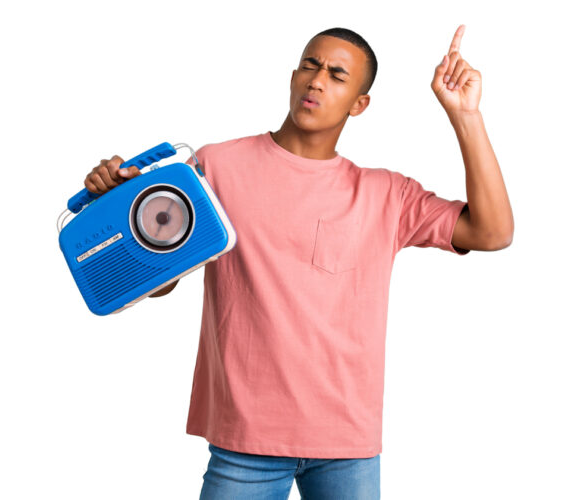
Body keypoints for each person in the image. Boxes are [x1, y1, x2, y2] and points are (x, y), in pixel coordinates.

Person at [82, 25, 513, 500]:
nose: (317, 80)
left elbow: (492, 232)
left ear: (359, 103)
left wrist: (466, 117)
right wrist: (119, 208)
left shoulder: (385, 194)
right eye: (310, 65)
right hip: (243, 442)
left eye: (336, 74)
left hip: (347, 446)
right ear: (292, 76)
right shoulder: (217, 167)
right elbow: (161, 279)